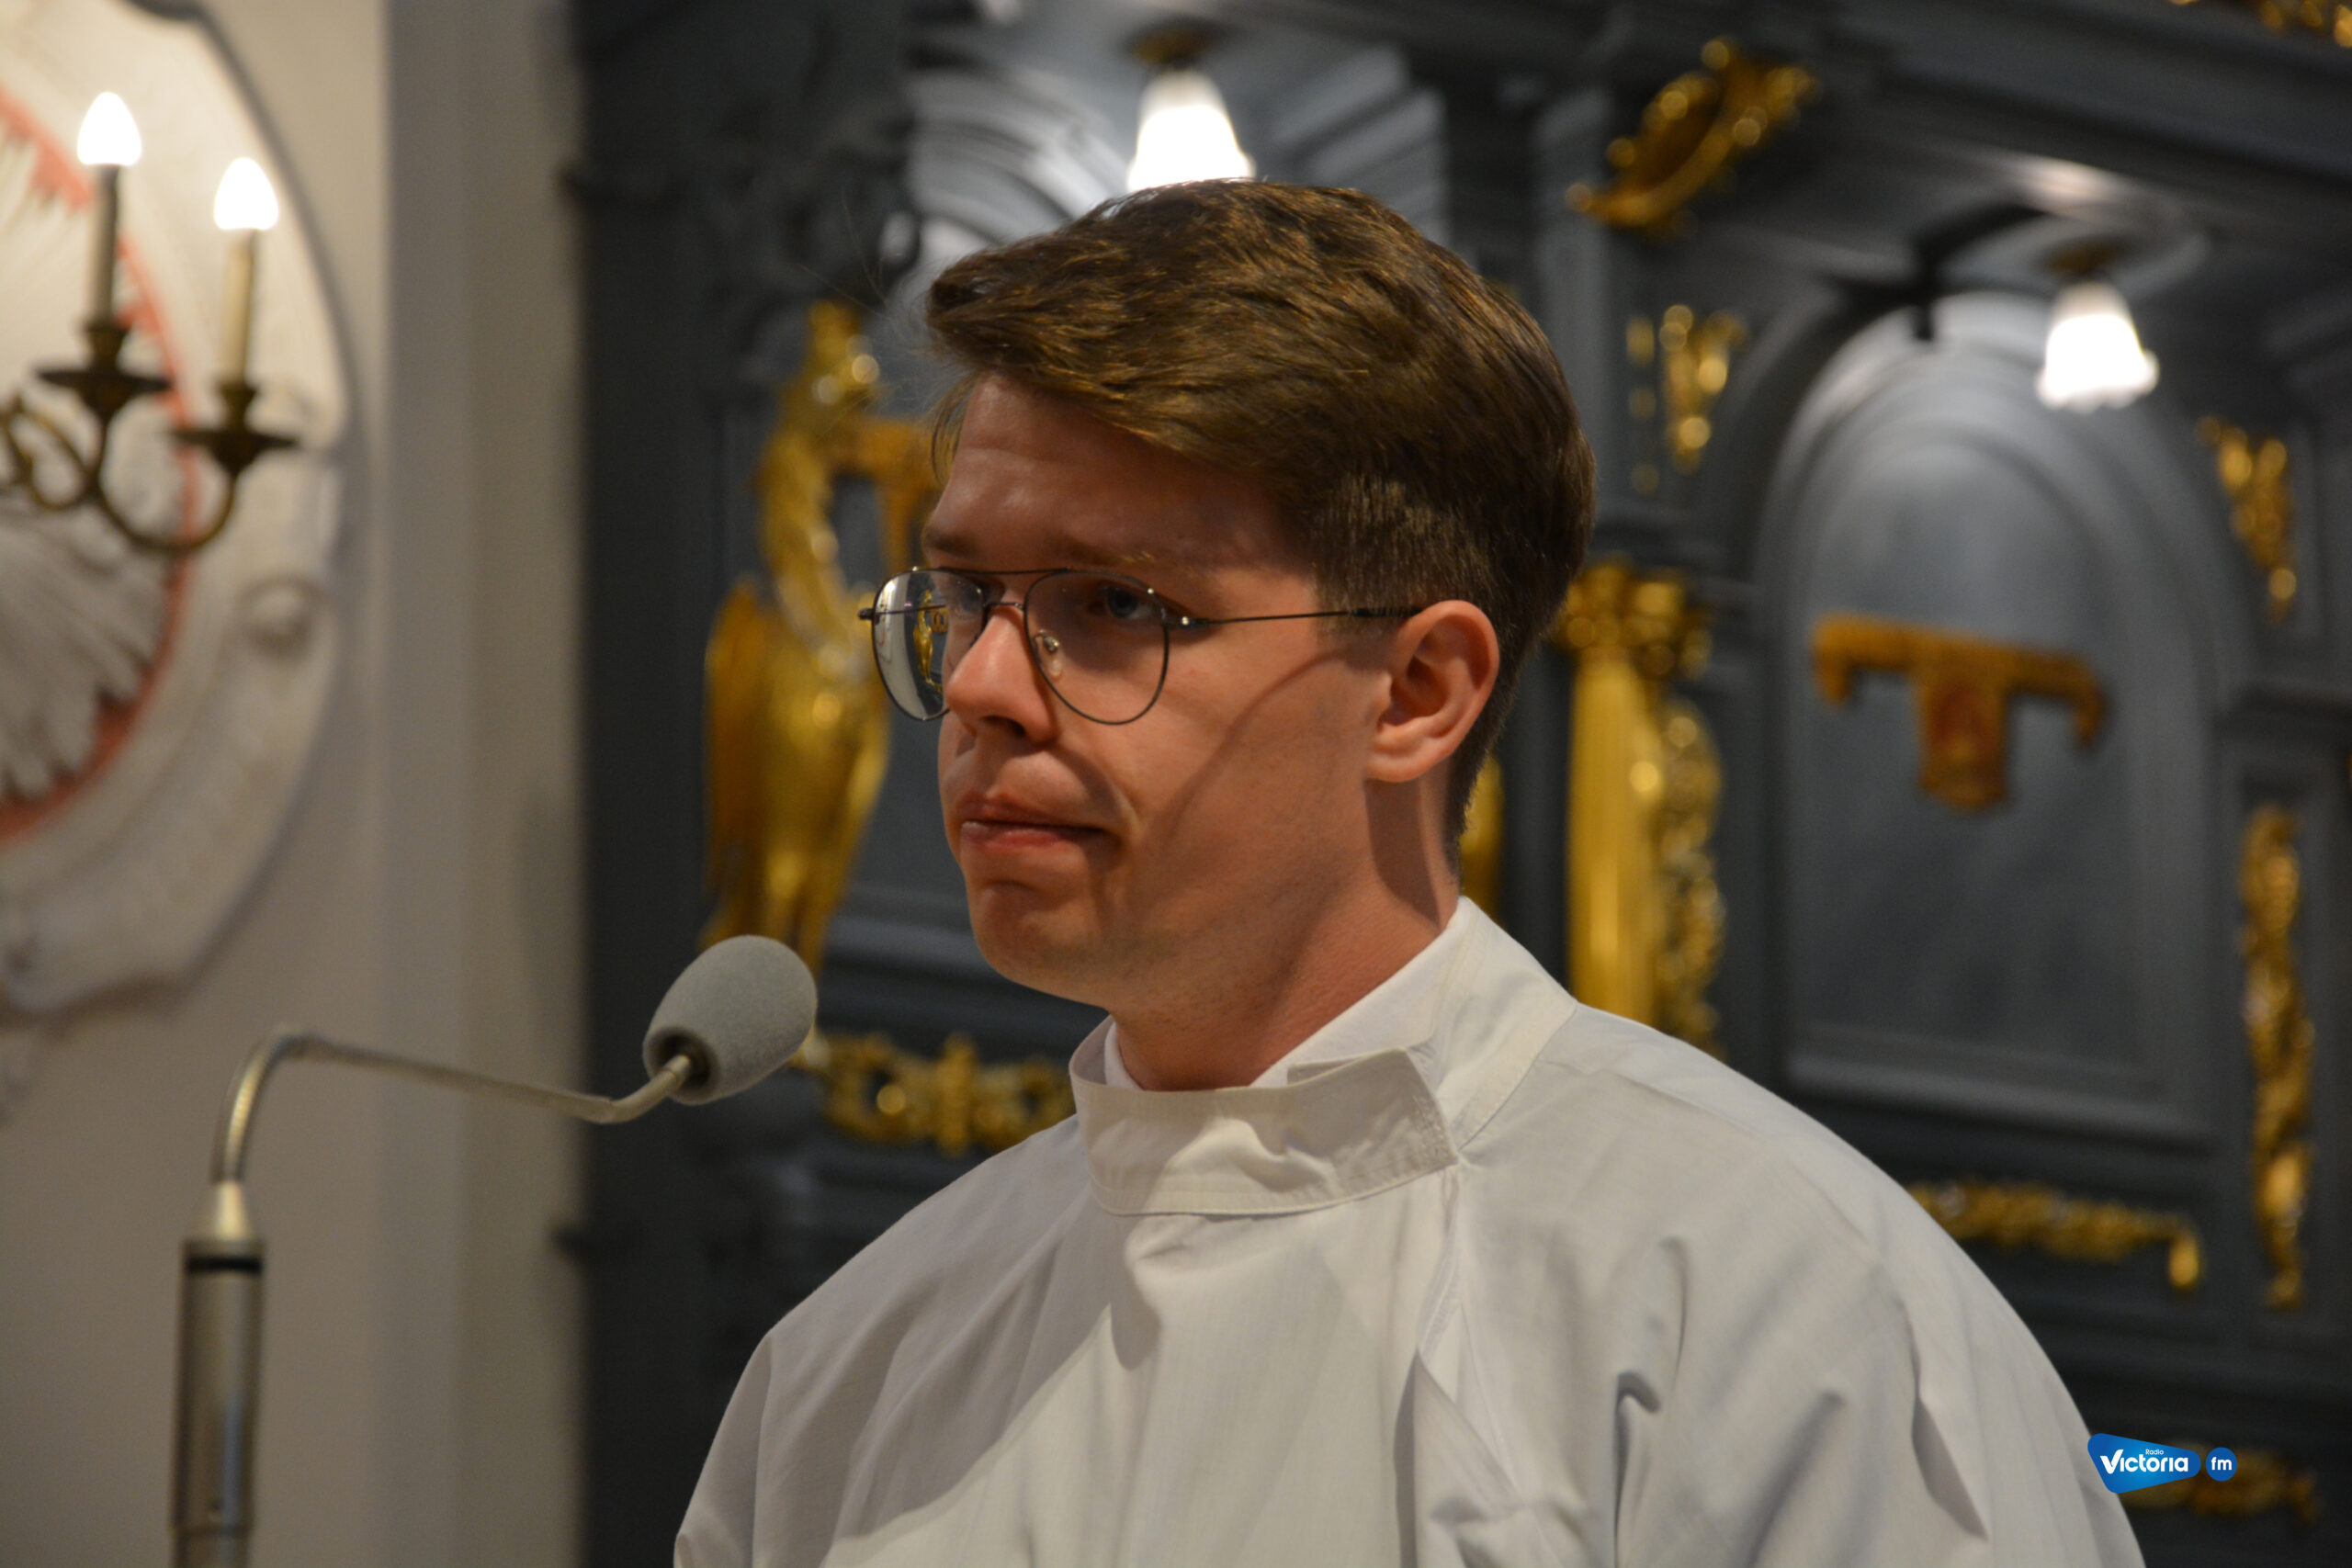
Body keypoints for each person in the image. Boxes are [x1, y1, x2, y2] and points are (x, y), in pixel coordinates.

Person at [676, 181, 2141, 1568]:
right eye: (965, 597)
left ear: (1417, 693)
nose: (985, 685)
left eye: (1115, 603)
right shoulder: (849, 1374)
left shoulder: (1778, 1309)